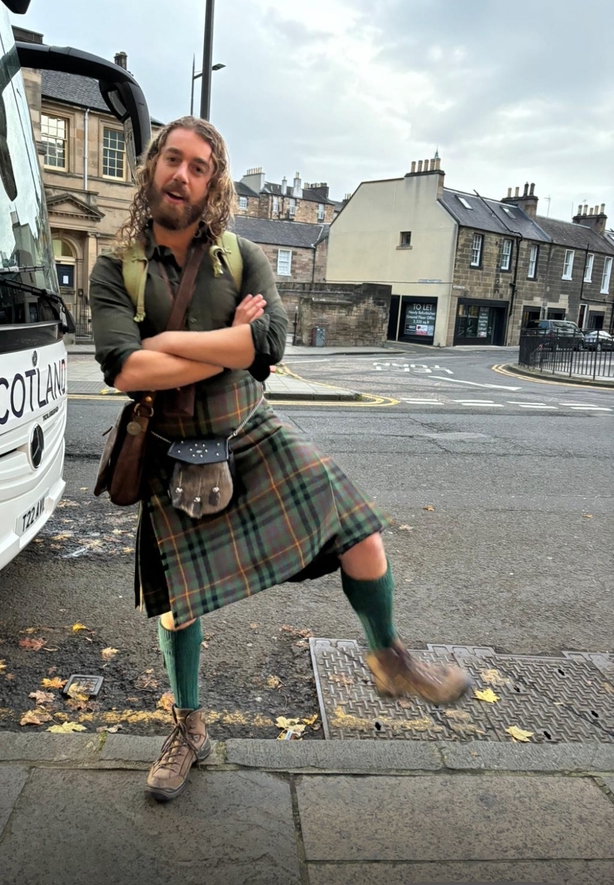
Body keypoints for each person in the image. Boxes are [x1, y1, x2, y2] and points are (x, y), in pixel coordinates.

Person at [89, 116, 471, 803]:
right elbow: (124, 368)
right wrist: (222, 342)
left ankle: (389, 659)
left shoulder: (242, 255)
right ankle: (189, 728)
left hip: (250, 430)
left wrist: (184, 348)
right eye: (172, 160)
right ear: (152, 168)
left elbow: (269, 344)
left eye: (199, 166)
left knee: (363, 533)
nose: (182, 174)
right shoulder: (116, 265)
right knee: (177, 608)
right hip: (173, 448)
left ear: (214, 183)